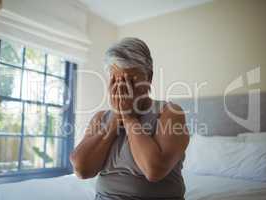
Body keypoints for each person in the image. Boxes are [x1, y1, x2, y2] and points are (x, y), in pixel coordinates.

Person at [70, 37, 190, 200]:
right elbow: (81, 169)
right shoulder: (101, 117)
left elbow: (154, 170)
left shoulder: (169, 112)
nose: (123, 88)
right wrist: (115, 119)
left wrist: (128, 118)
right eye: (116, 80)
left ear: (149, 77)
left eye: (131, 81)